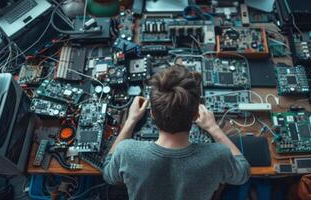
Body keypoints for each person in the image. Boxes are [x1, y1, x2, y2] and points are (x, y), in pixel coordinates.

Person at [103, 65, 251, 200]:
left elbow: (108, 174)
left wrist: (130, 120)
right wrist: (214, 129)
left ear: (152, 114)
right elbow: (243, 172)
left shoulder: (126, 152)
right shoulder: (219, 156)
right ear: (195, 115)